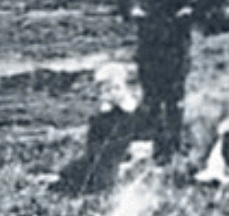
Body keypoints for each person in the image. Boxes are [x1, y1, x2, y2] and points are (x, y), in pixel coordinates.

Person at [116, 0, 210, 163]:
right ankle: (153, 145)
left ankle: (173, 145)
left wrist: (192, 9)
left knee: (174, 94)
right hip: (149, 35)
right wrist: (132, 10)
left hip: (177, 37)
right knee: (151, 93)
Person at [53, 62, 154, 195]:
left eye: (117, 88)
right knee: (72, 175)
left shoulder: (138, 114)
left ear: (127, 88)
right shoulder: (100, 119)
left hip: (131, 157)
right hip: (106, 159)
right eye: (107, 90)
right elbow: (92, 145)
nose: (113, 93)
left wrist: (137, 148)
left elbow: (148, 134)